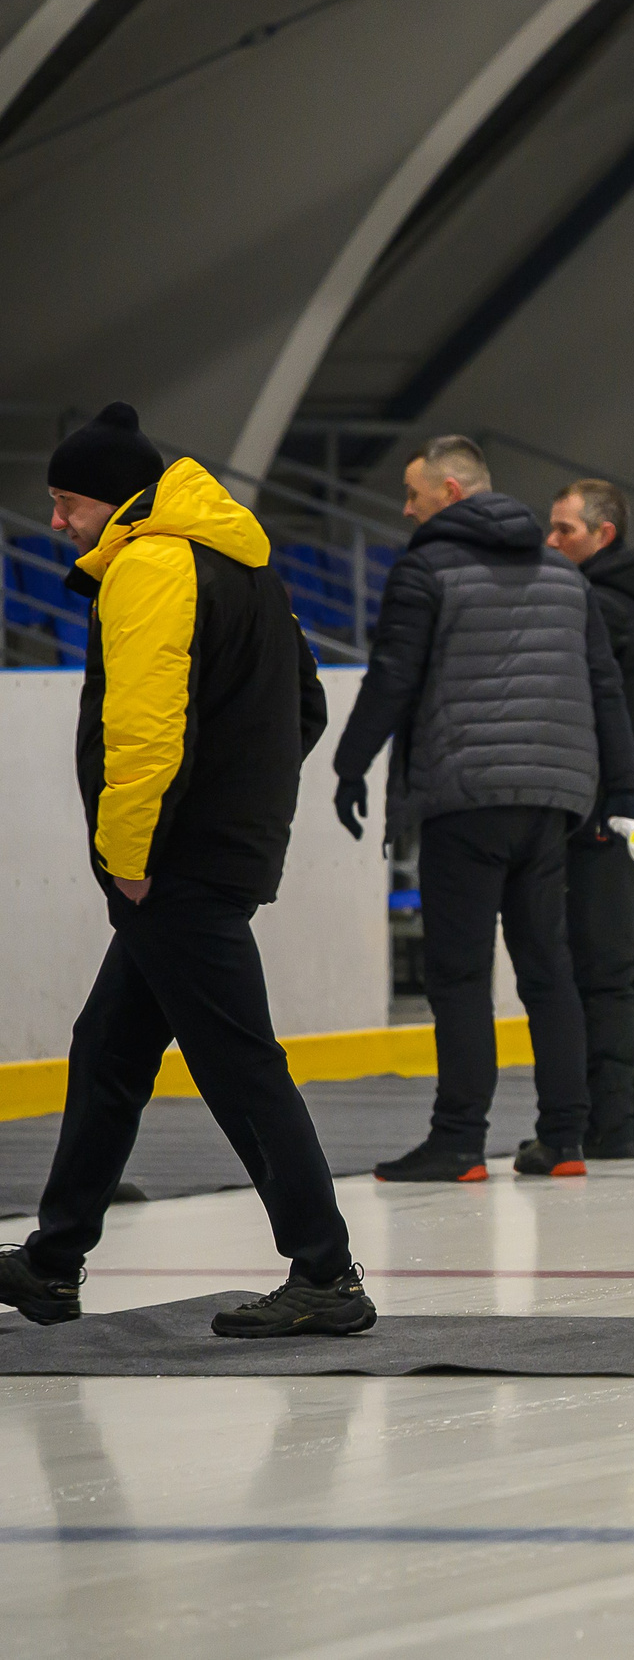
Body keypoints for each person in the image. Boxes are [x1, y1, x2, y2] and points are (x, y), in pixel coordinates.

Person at [0, 404, 375, 1338]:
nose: (56, 523)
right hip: (218, 847)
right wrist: (247, 800)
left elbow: (144, 727)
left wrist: (132, 856)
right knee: (110, 1050)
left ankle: (325, 1271)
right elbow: (307, 703)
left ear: (119, 499)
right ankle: (52, 1260)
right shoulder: (242, 558)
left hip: (173, 862)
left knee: (239, 1063)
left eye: (67, 502)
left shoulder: (155, 564)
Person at [333, 436, 634, 1183]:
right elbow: (605, 686)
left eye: (414, 493)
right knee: (546, 967)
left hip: (464, 796)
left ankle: (459, 1139)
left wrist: (350, 762)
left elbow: (392, 676)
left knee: (461, 974)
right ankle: (564, 1137)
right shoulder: (565, 577)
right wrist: (623, 791)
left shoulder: (426, 569)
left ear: (451, 491)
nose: (405, 508)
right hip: (551, 800)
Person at [546, 477, 634, 1160]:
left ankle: (609, 1127)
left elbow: (595, 718)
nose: (551, 542)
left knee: (602, 972)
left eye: (564, 530)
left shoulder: (599, 606)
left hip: (609, 813)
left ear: (603, 535)